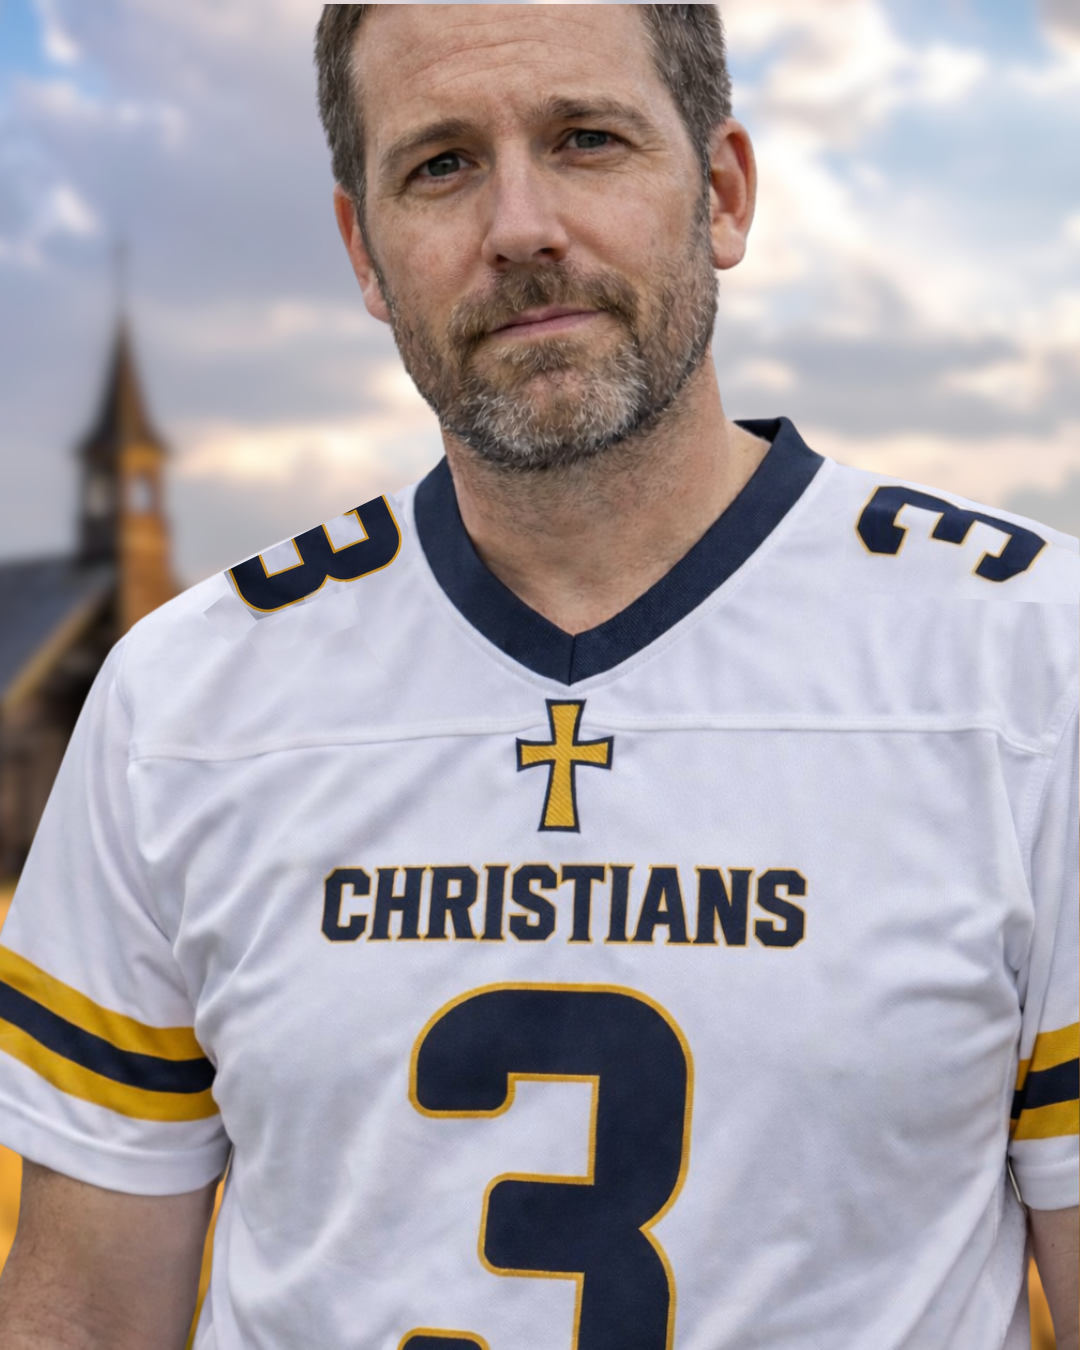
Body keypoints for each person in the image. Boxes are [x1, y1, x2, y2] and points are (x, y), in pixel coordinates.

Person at [0, 5, 1076, 1348]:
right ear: (365, 254)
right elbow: (89, 1313)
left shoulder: (1031, 666)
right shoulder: (182, 705)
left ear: (723, 194)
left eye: (587, 140)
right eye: (440, 164)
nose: (519, 225)